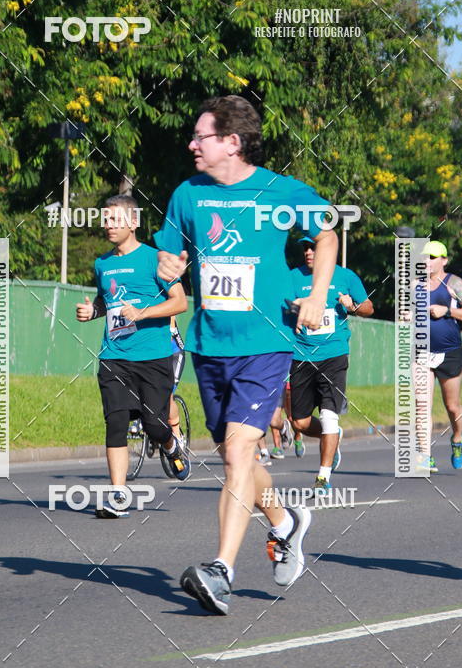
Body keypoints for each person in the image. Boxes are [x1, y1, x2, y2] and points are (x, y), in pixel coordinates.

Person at [154, 95, 338, 614]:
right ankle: (286, 522)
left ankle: (221, 571)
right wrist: (168, 267)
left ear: (231, 143)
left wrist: (319, 294)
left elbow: (326, 236)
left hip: (266, 343)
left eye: (201, 136)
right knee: (238, 456)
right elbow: (172, 254)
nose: (191, 144)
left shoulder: (282, 192)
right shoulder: (187, 194)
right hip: (210, 345)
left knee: (239, 453)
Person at [76, 194, 190, 518]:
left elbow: (180, 302)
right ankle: (118, 495)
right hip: (114, 356)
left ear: (134, 222)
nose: (108, 225)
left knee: (155, 425)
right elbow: (106, 300)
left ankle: (171, 445)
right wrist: (92, 310)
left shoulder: (156, 260)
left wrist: (143, 313)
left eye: (115, 220)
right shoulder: (102, 263)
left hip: (153, 357)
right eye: (106, 219)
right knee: (115, 423)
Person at [290, 237, 374, 492]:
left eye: (313, 247)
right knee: (300, 423)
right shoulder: (293, 277)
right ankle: (332, 438)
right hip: (301, 355)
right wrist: (295, 307)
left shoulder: (346, 276)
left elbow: (369, 308)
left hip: (334, 355)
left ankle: (323, 476)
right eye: (305, 247)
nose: (308, 252)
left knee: (328, 417)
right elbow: (280, 306)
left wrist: (353, 305)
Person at [423, 240, 462, 471]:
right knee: (422, 406)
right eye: (424, 256)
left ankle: (457, 439)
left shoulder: (454, 283)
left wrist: (446, 310)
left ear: (443, 260)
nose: (427, 261)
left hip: (450, 353)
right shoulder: (414, 285)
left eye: (433, 256)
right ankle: (425, 455)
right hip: (422, 352)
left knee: (452, 406)